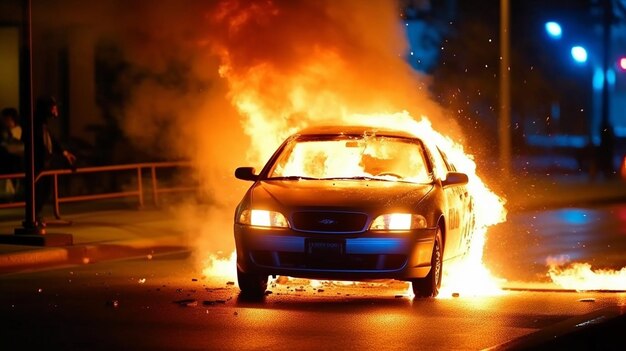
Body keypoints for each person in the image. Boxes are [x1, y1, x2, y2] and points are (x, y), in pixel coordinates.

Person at [33, 96, 76, 227]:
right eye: (53, 107)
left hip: (44, 164)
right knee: (39, 190)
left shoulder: (43, 124)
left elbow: (52, 141)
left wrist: (64, 153)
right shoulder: (36, 124)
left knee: (44, 190)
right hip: (38, 164)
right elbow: (41, 144)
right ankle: (34, 216)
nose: (56, 110)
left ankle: (36, 215)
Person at [1, 107, 24, 200]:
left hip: (17, 160)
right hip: (9, 161)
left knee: (16, 177)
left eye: (5, 119)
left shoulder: (19, 131)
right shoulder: (4, 132)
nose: (3, 121)